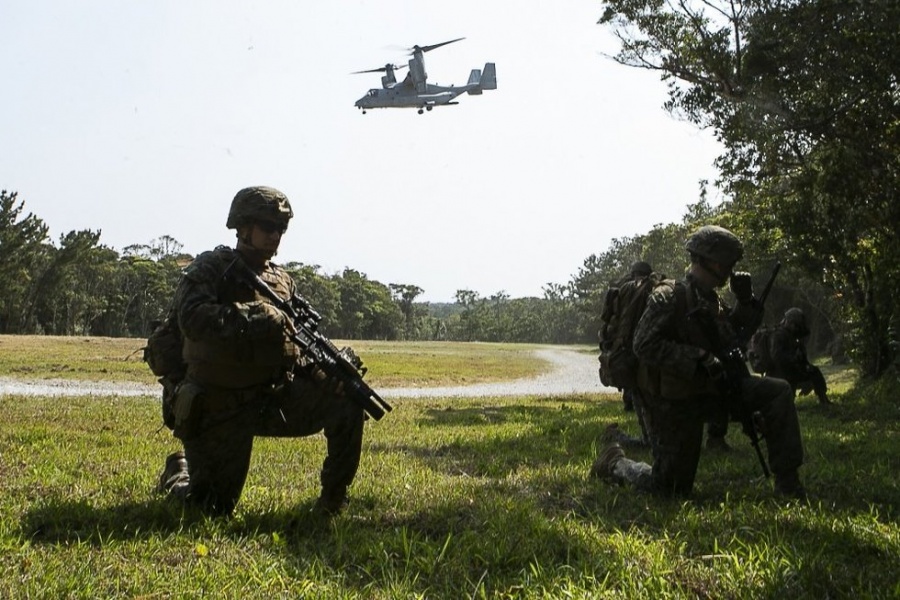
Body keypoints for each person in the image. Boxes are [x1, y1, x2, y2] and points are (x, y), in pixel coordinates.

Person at [155, 186, 365, 517]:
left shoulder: (282, 281)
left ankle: (333, 501)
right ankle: (177, 474)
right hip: (218, 404)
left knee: (348, 400)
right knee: (211, 508)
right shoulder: (212, 268)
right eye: (268, 227)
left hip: (270, 398)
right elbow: (192, 319)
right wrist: (256, 315)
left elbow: (297, 341)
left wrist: (324, 371)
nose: (275, 236)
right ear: (242, 226)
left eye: (281, 228)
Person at [591, 225, 806, 499]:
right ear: (712, 261)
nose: (730, 270)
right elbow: (643, 344)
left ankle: (788, 484)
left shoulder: (712, 300)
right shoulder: (669, 296)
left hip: (709, 390)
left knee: (778, 392)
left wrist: (745, 302)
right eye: (727, 263)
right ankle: (616, 463)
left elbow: (732, 338)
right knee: (670, 488)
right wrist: (698, 357)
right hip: (674, 402)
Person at [767, 308, 831, 405]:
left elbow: (802, 356)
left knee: (814, 372)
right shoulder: (778, 335)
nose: (796, 328)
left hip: (790, 370)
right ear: (788, 322)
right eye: (795, 325)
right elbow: (777, 357)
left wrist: (802, 362)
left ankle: (824, 400)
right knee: (787, 403)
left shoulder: (792, 336)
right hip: (779, 373)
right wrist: (793, 357)